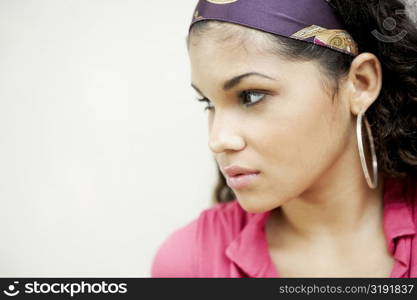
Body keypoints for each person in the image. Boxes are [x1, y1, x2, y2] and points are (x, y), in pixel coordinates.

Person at [151, 0, 417, 277]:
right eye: (209, 103)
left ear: (360, 83)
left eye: (250, 96)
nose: (218, 140)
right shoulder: (190, 264)